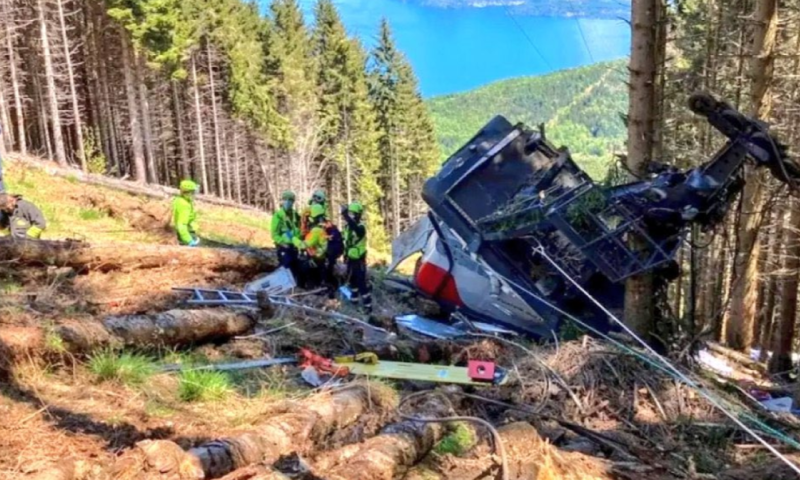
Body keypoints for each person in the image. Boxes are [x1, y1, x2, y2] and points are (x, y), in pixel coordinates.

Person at [341, 201, 371, 314]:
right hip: (349, 259)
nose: (351, 215)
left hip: (359, 260)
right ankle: (354, 303)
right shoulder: (347, 227)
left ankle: (368, 306)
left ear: (358, 215)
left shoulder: (360, 227)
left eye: (353, 213)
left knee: (361, 283)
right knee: (352, 282)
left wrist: (346, 216)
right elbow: (345, 241)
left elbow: (357, 231)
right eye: (350, 213)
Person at [271, 191, 302, 274]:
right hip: (284, 248)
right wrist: (282, 243)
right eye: (285, 199)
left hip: (294, 247)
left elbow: (299, 229)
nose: (288, 202)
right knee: (285, 269)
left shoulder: (295, 215)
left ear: (293, 202)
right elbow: (274, 234)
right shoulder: (278, 215)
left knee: (295, 270)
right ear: (282, 200)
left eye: (290, 200)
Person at [299, 203, 329, 289]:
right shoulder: (321, 225)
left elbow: (305, 243)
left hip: (315, 256)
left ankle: (313, 287)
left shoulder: (316, 229)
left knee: (306, 269)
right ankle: (319, 285)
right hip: (318, 255)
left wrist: (294, 239)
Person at [173, 179, 200, 246]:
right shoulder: (183, 205)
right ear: (188, 193)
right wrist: (189, 240)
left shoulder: (182, 200)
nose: (194, 194)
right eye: (193, 192)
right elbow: (181, 224)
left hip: (187, 231)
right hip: (187, 233)